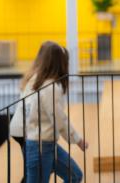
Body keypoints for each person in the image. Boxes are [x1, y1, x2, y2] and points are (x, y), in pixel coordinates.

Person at [10, 41, 88, 183]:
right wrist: (78, 140)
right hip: (38, 143)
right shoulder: (49, 87)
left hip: (42, 141)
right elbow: (60, 119)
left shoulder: (36, 80)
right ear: (59, 63)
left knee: (75, 175)